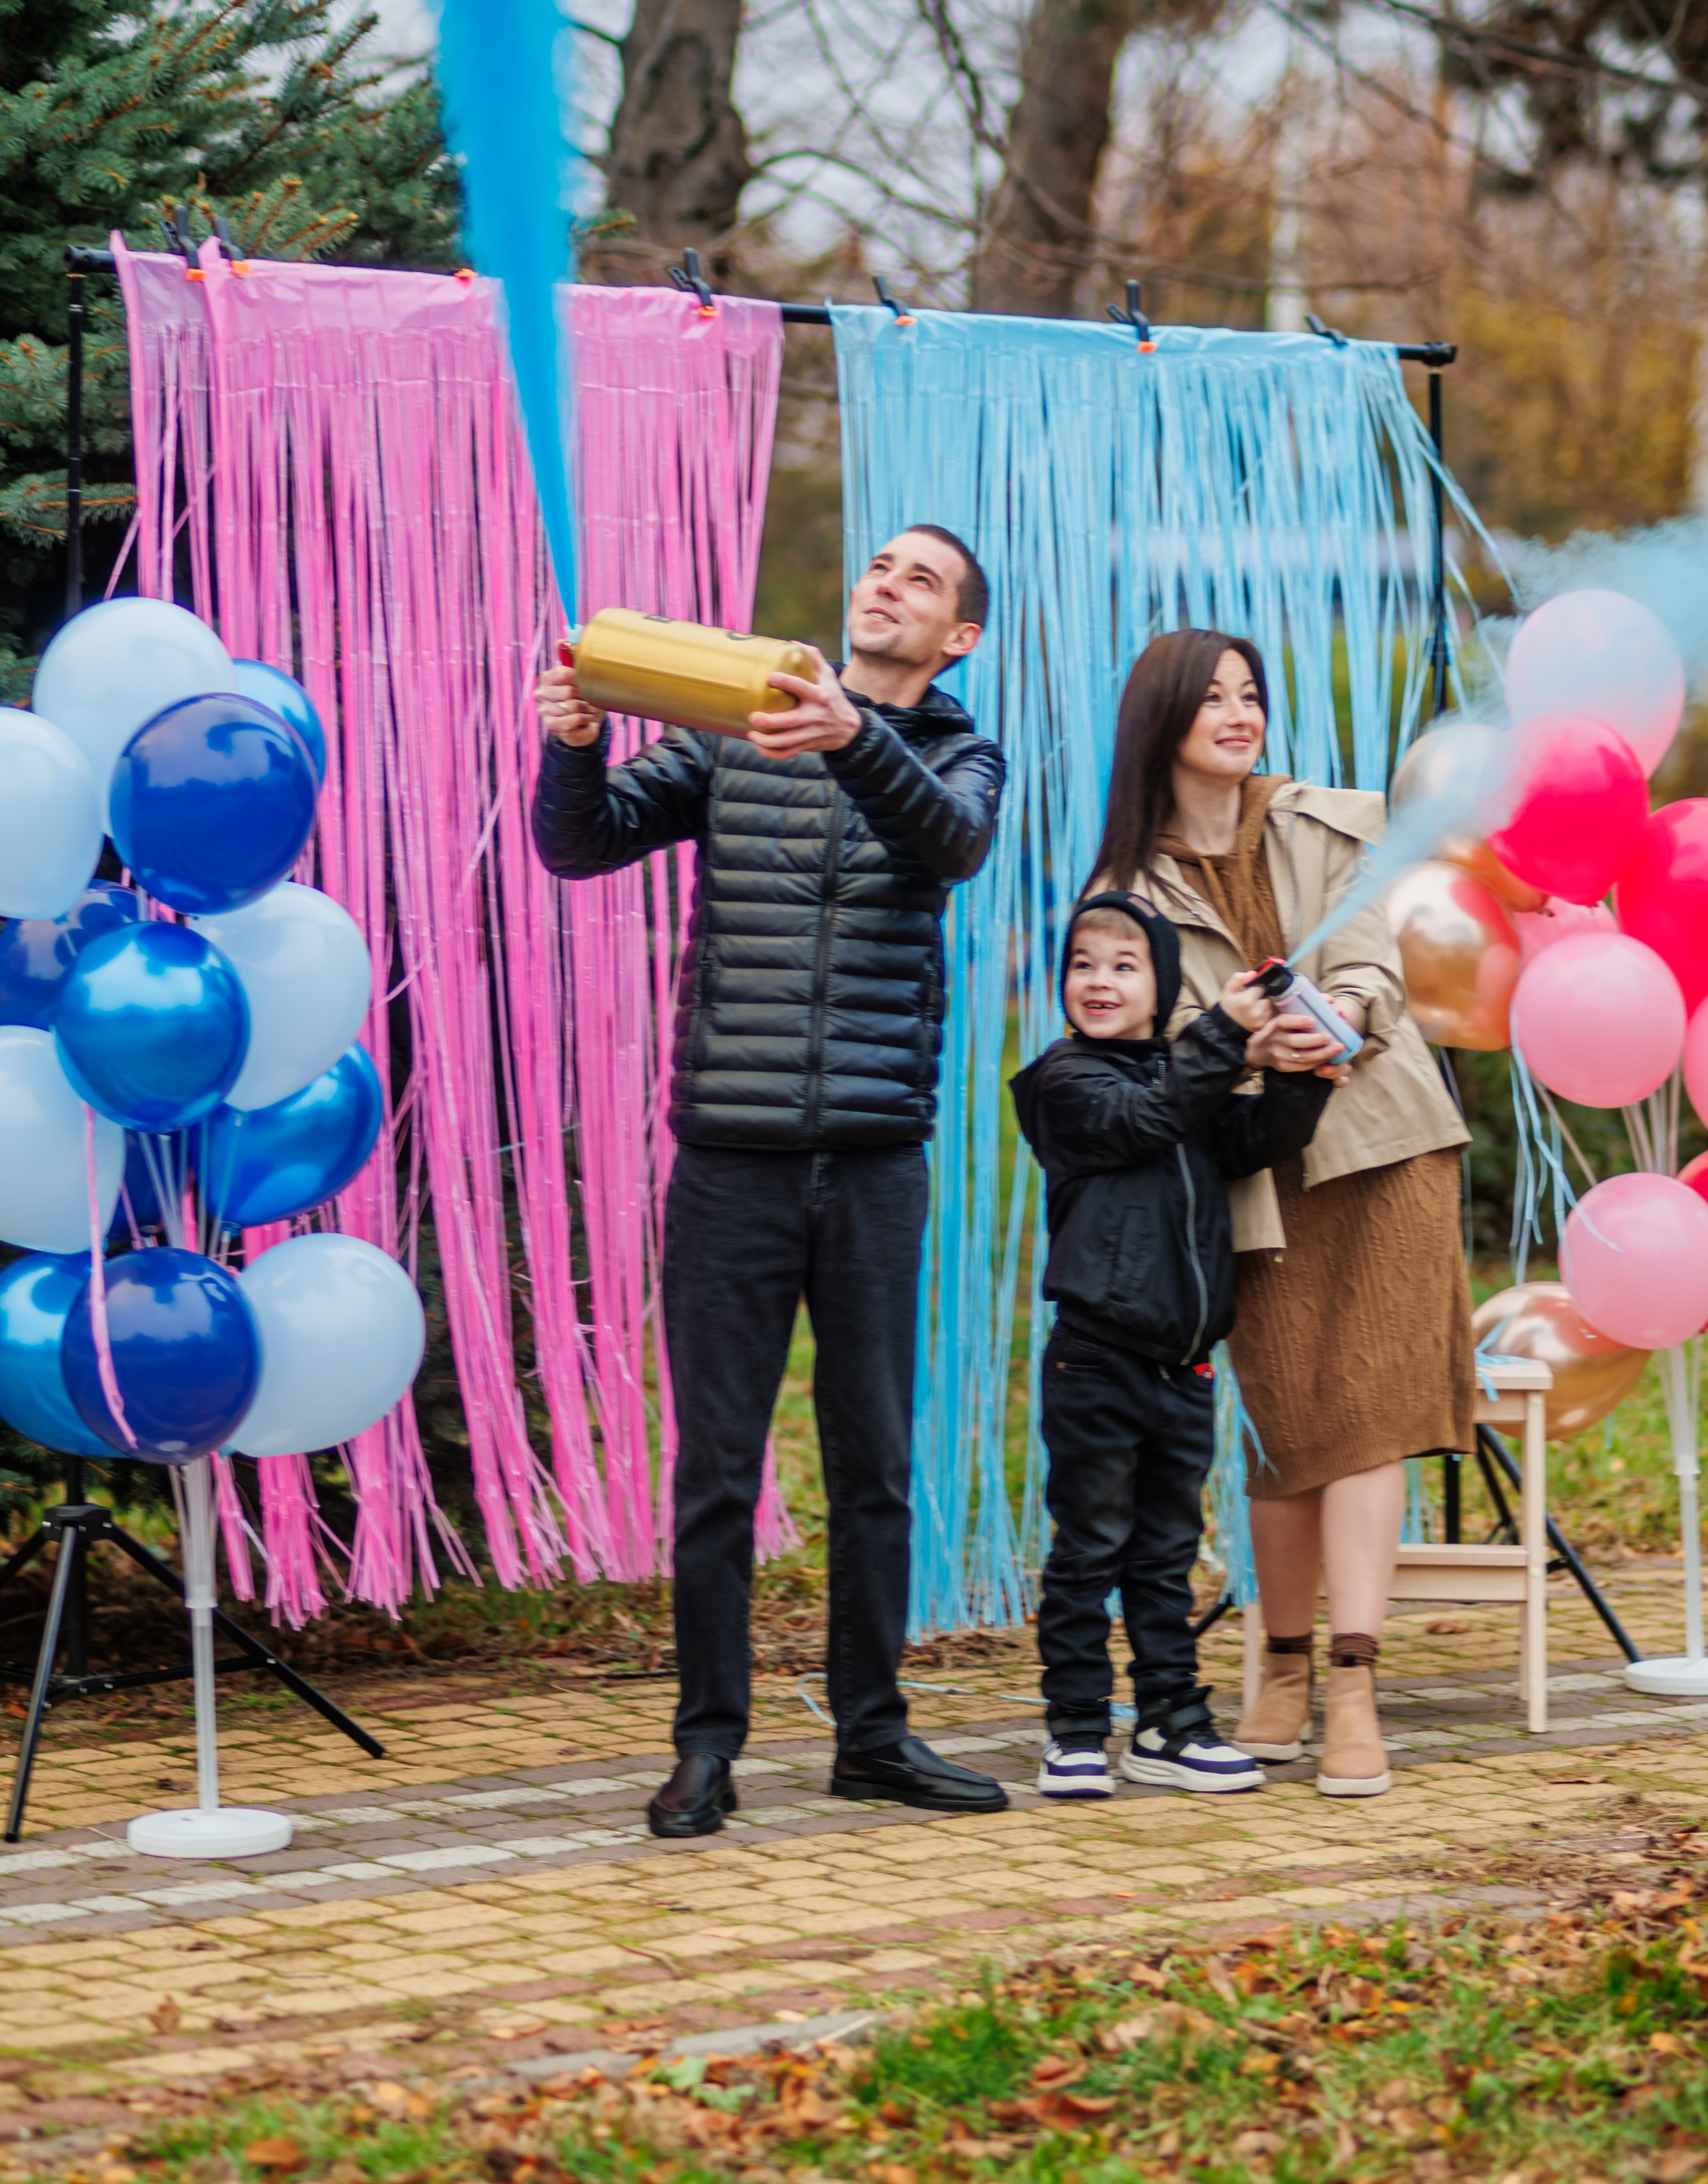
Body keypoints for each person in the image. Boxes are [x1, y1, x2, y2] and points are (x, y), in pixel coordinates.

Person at [532, 528, 1010, 1837]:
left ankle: (872, 1738)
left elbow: (951, 844)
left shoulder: (957, 754)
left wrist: (850, 736)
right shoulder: (731, 728)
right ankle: (705, 1749)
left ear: (955, 636)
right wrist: (572, 746)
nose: (885, 585)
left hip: (871, 1168)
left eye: (919, 581)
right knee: (715, 1475)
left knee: (872, 1469)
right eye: (878, 567)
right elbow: (582, 847)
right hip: (728, 1164)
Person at [1090, 629, 1474, 1800]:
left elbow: (1375, 967)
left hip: (1383, 1153)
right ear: (1162, 720)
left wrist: (1338, 1019)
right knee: (1280, 1430)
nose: (1239, 712)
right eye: (1212, 697)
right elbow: (1135, 1035)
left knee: (1365, 1415)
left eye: (1251, 693)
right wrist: (1239, 1042)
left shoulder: (1332, 818)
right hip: (1246, 1179)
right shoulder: (1124, 890)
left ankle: (1352, 1684)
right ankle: (1283, 1666)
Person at [1010, 895, 1332, 1799]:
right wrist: (1226, 1041)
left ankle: (1169, 1724)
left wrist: (1300, 1074)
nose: (1098, 980)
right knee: (1089, 1551)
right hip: (1097, 1362)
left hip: (1184, 1369)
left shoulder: (1189, 1079)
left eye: (1123, 964)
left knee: (1164, 1557)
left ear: (1160, 987)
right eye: (1082, 963)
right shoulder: (1063, 1081)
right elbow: (1142, 1120)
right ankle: (1074, 1730)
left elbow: (1247, 1138)